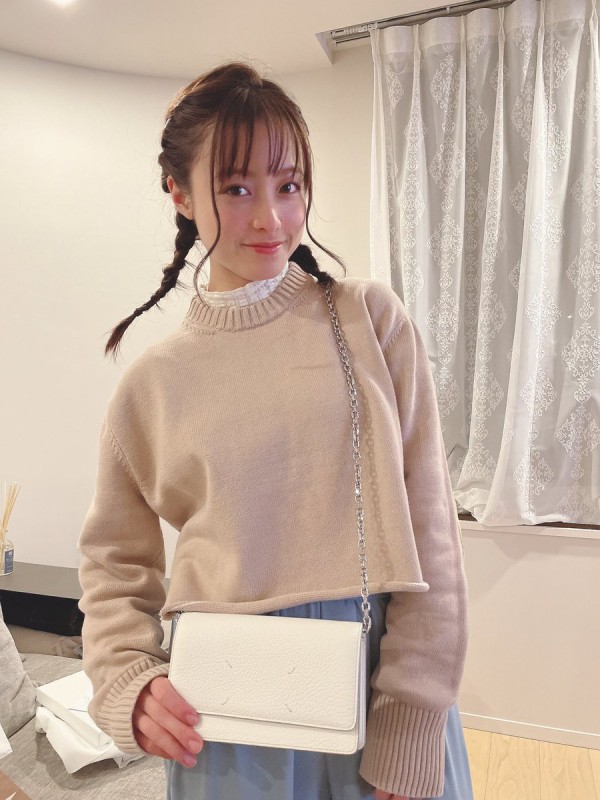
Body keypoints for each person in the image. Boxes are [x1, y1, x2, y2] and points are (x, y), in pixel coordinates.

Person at [78, 61, 473, 800]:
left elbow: (432, 533)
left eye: (288, 186)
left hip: (377, 690)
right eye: (236, 189)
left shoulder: (369, 321)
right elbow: (113, 564)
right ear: (180, 194)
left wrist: (412, 717)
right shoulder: (151, 384)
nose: (270, 218)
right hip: (226, 719)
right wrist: (126, 678)